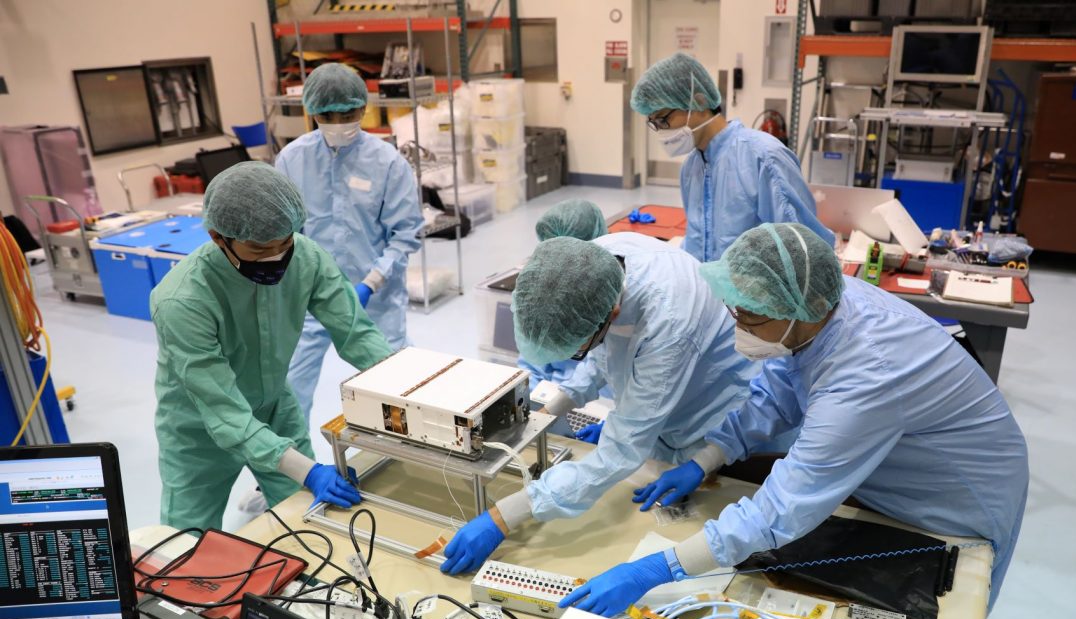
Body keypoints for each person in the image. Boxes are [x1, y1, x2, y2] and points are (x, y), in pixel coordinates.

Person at [559, 224, 1029, 618]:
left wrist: (654, 570)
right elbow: (777, 395)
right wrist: (706, 460)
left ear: (794, 312)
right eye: (734, 310)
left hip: (954, 501)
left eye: (749, 317)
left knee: (938, 610)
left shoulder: (867, 373)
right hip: (887, 479)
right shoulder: (819, 311)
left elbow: (784, 504)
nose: (737, 325)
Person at [439, 232, 760, 576]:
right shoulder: (592, 266)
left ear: (614, 312)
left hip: (709, 403)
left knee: (698, 508)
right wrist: (553, 408)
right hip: (661, 393)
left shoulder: (667, 321)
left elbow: (620, 452)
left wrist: (504, 517)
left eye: (575, 349)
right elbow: (600, 350)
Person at [151, 162, 395, 531]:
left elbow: (355, 333)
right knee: (187, 544)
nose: (277, 257)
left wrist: (406, 389)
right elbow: (223, 410)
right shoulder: (182, 301)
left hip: (274, 409)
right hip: (198, 432)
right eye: (260, 248)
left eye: (286, 242)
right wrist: (307, 471)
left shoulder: (306, 257)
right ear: (219, 237)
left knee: (306, 526)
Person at [276, 62, 423, 419]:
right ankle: (287, 467)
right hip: (309, 297)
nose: (339, 122)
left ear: (363, 107)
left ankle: (402, 458)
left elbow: (405, 234)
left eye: (348, 113)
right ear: (312, 111)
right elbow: (282, 231)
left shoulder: (388, 162)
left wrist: (371, 282)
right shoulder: (292, 159)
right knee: (290, 388)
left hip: (376, 300)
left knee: (391, 388)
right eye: (328, 114)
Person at [630, 53, 835, 262]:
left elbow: (805, 252)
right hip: (713, 291)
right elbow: (698, 245)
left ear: (698, 101)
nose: (662, 130)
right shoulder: (692, 168)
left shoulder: (763, 158)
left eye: (664, 119)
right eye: (654, 123)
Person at [520, 198, 612, 440]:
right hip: (554, 398)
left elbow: (609, 366)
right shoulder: (539, 288)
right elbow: (531, 360)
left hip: (608, 403)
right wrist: (531, 404)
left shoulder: (615, 292)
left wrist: (618, 423)